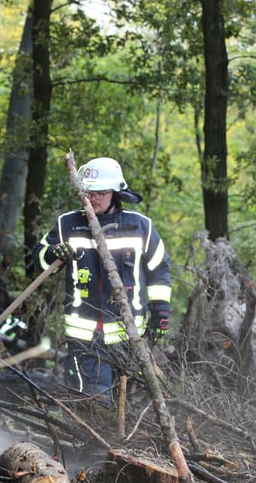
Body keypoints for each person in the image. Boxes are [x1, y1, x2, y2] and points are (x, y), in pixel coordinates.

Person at [32, 157, 171, 403]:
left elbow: (159, 270)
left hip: (129, 335)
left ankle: (122, 441)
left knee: (126, 399)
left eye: (100, 193)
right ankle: (91, 439)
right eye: (88, 192)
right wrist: (54, 252)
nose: (92, 198)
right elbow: (38, 259)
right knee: (91, 399)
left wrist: (161, 312)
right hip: (84, 336)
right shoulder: (69, 224)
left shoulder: (140, 227)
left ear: (116, 192)